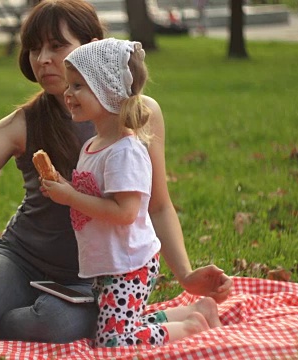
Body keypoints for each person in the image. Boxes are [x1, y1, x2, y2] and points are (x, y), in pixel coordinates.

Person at [0, 0, 231, 348]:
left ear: (93, 47)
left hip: (94, 276)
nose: (43, 59)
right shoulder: (23, 123)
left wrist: (185, 275)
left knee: (54, 324)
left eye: (57, 46)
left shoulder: (140, 116)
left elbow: (157, 206)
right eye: (34, 48)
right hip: (20, 257)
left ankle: (155, 318)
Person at [41, 38, 220, 348]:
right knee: (122, 323)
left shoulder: (125, 151)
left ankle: (191, 328)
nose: (68, 94)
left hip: (129, 263)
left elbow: (125, 212)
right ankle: (194, 311)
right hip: (109, 261)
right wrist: (66, 187)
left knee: (114, 339)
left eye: (79, 86)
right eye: (69, 86)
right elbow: (98, 196)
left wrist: (69, 197)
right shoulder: (92, 146)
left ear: (108, 89)